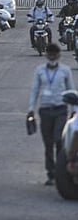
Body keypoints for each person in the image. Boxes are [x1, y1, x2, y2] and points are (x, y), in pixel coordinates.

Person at [28, 43, 75, 185]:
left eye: (55, 54)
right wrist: (31, 109)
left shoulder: (65, 71)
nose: (52, 57)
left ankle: (62, 171)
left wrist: (74, 110)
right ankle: (51, 173)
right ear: (46, 55)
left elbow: (71, 90)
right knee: (48, 143)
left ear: (59, 56)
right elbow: (35, 90)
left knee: (58, 139)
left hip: (60, 109)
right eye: (50, 54)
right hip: (45, 110)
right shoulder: (40, 71)